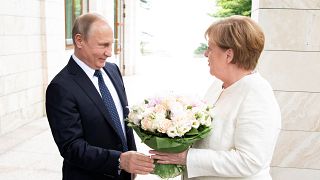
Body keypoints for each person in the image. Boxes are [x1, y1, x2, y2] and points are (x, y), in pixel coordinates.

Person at [150, 15, 281, 180]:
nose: (206, 54)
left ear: (229, 55)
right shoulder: (218, 86)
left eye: (210, 48)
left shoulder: (257, 95)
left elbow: (250, 161)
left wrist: (186, 158)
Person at [46, 13, 154, 180]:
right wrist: (119, 161)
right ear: (79, 40)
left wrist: (131, 162)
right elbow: (71, 147)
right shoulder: (60, 87)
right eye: (103, 45)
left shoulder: (113, 70)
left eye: (111, 45)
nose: (109, 53)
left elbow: (124, 121)